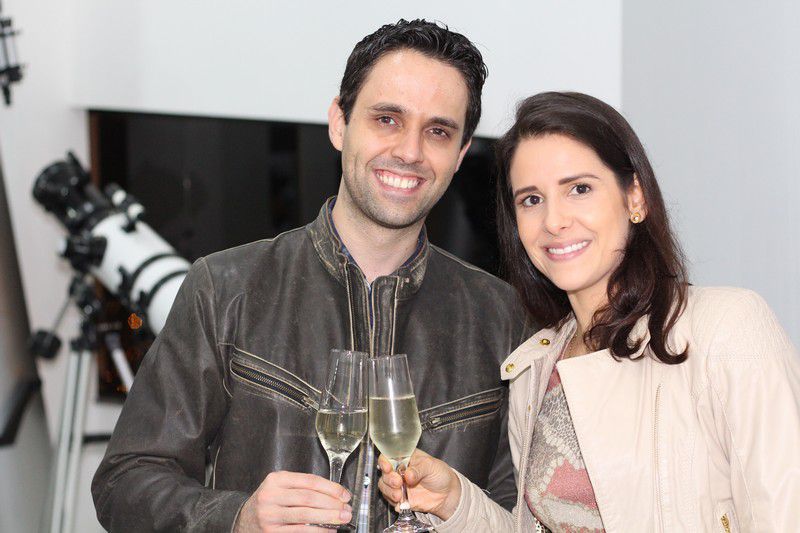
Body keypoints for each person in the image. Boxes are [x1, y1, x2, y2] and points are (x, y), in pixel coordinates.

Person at [91, 19, 533, 533]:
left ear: (459, 154)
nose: (410, 152)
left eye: (438, 131)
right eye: (387, 119)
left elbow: (520, 514)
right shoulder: (226, 287)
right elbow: (125, 482)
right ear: (339, 123)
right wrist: (237, 518)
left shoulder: (502, 318)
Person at [377, 91, 800, 532]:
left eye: (579, 189)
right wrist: (455, 502)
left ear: (635, 197)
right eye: (531, 199)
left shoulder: (726, 328)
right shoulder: (535, 366)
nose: (554, 220)